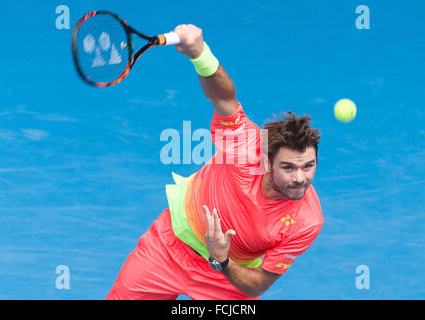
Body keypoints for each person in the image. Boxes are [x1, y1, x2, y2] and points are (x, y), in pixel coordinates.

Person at [106, 24, 323, 300]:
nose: (300, 178)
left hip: (228, 276)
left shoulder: (307, 222)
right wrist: (200, 54)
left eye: (308, 166)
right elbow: (223, 96)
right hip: (168, 248)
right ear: (266, 160)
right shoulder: (245, 144)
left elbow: (258, 284)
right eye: (288, 167)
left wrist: (222, 260)